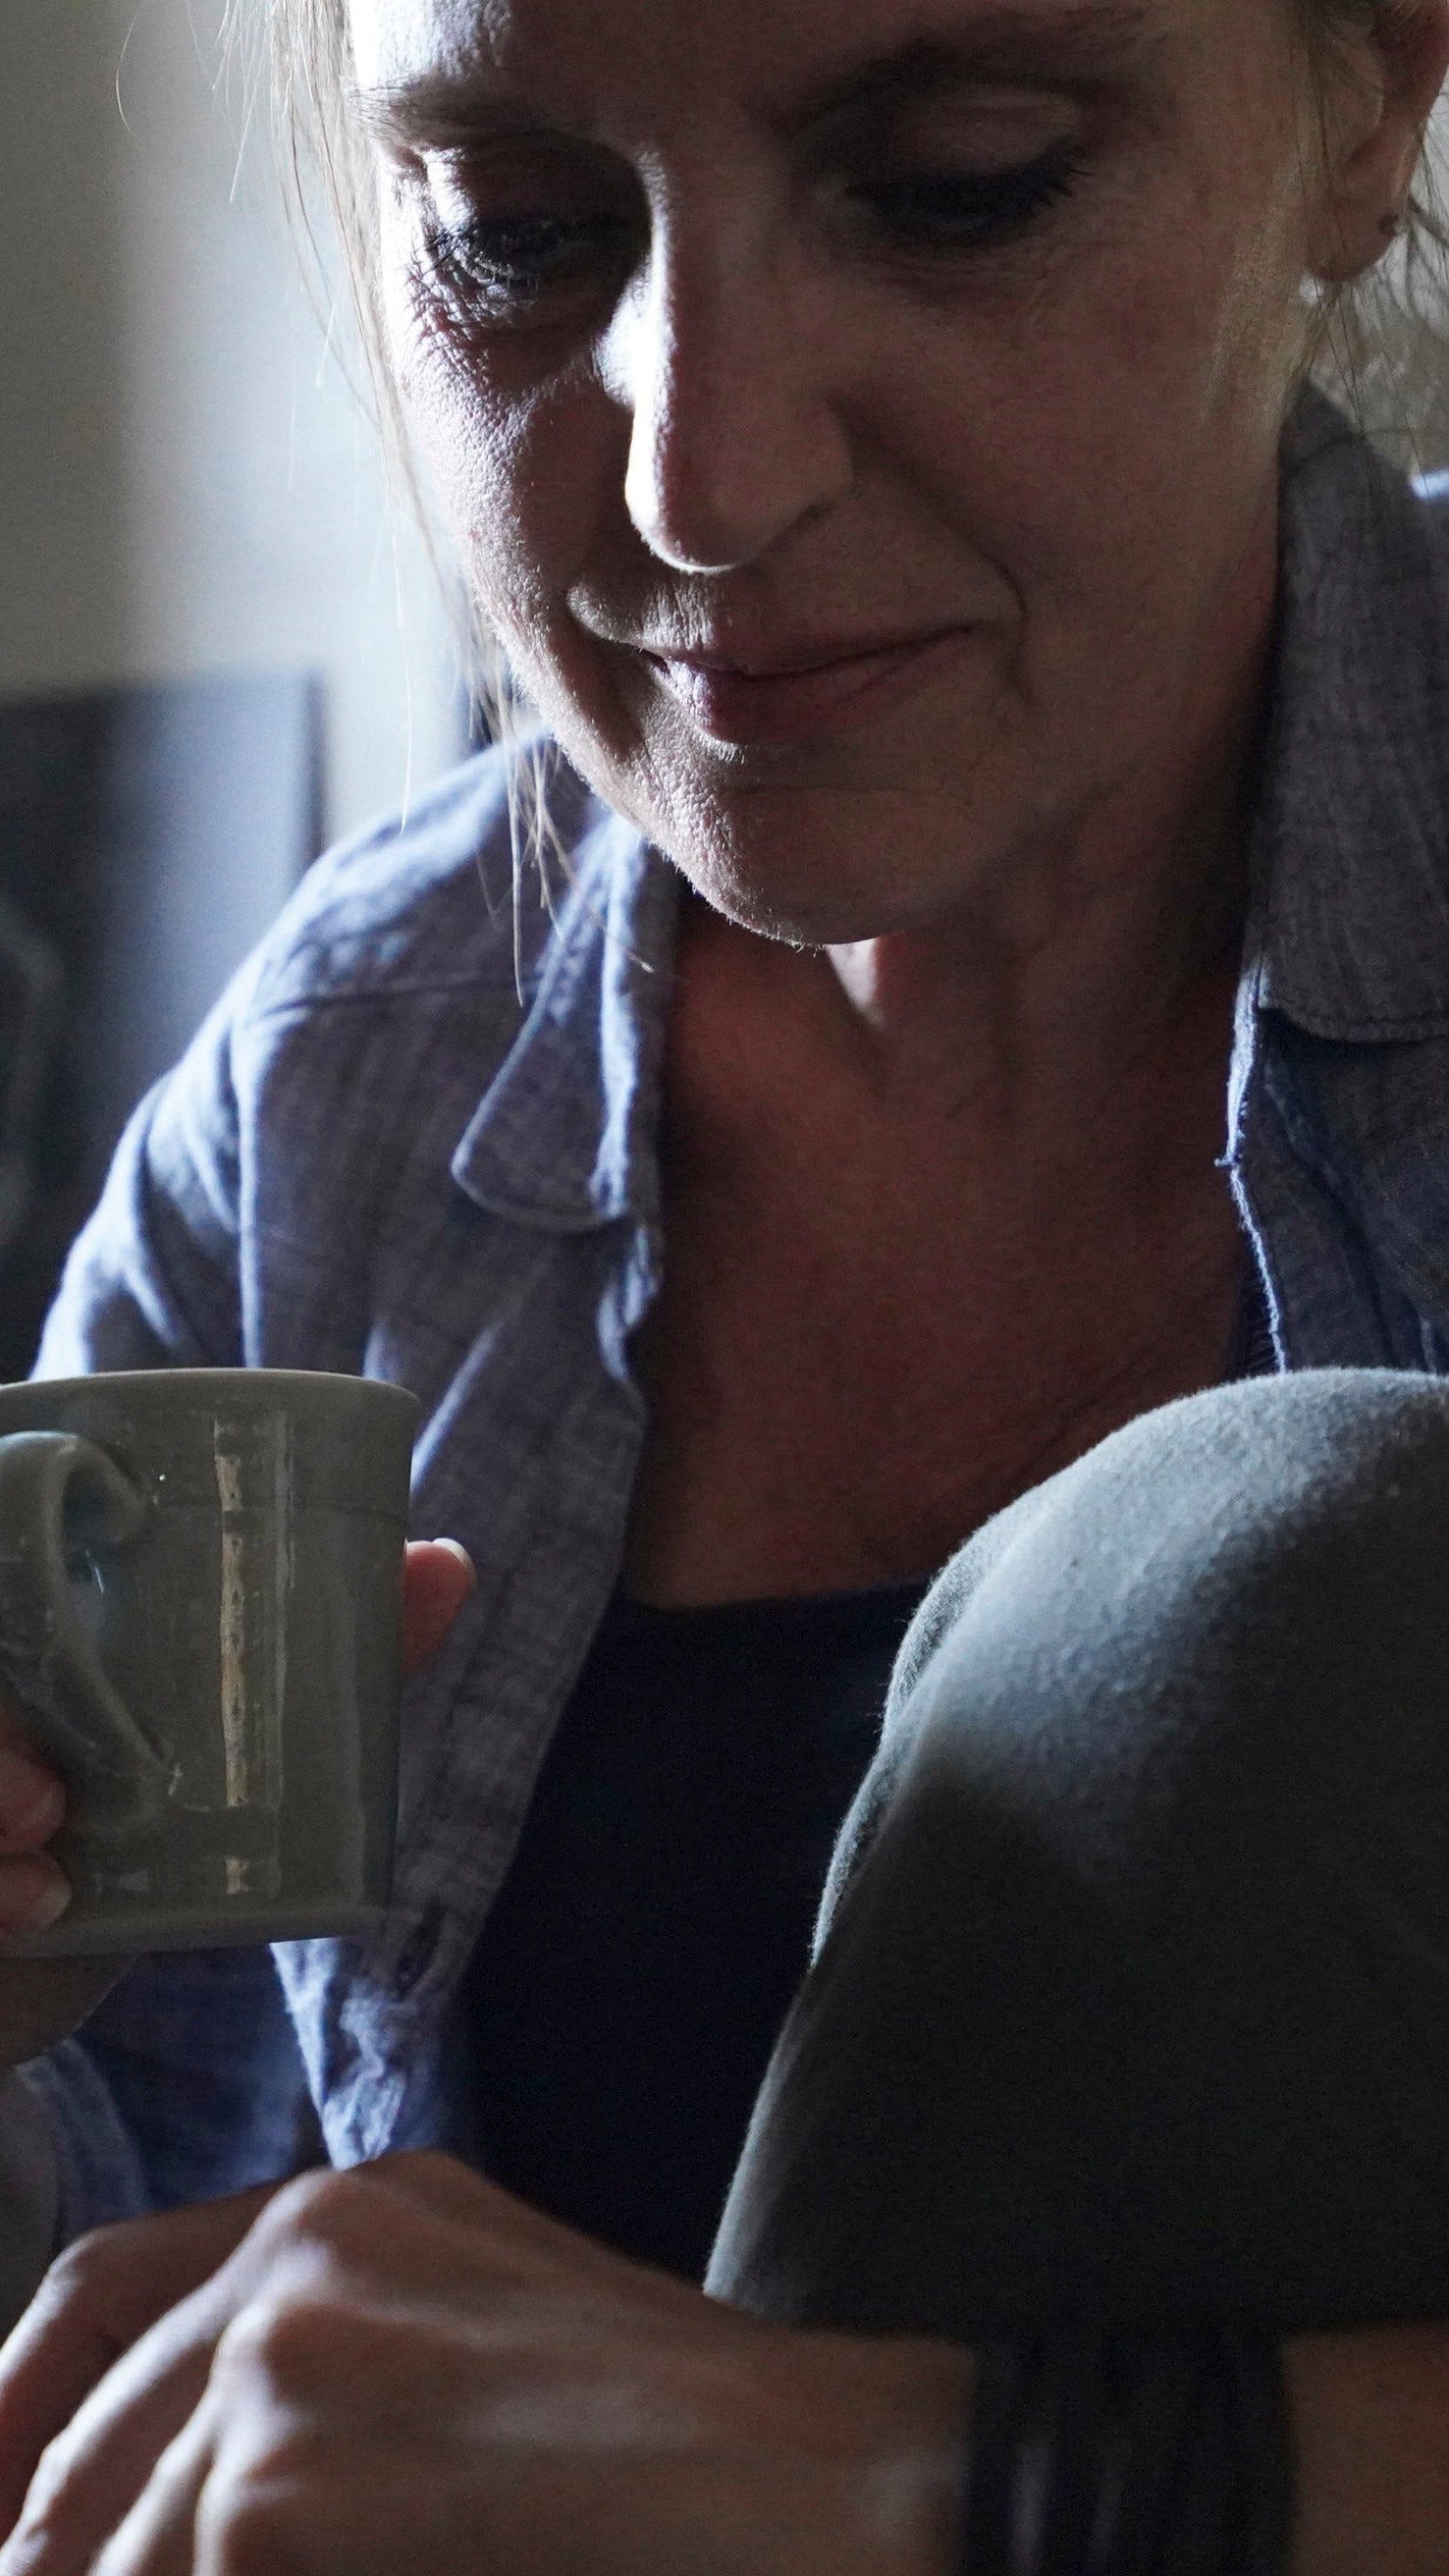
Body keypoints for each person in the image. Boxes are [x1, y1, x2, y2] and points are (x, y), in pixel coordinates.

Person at [4, 0, 1449, 2561]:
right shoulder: (331, 1112)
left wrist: (931, 2493)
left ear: (1367, 102)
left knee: (1248, 1591)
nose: (701, 479)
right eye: (518, 239)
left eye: (963, 181)